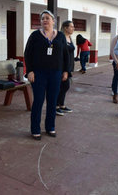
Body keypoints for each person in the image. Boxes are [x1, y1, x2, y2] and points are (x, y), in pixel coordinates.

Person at [24, 10, 70, 140]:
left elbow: (66, 54)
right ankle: (35, 129)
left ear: (53, 21)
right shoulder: (35, 35)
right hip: (39, 73)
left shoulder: (60, 35)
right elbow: (27, 54)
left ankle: (50, 127)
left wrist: (66, 71)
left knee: (52, 101)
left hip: (56, 73)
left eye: (47, 18)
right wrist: (30, 71)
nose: (45, 20)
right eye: (42, 18)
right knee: (38, 101)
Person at [56, 20, 75, 116]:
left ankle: (62, 105)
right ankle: (55, 105)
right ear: (65, 28)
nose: (73, 28)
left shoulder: (70, 38)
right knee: (65, 86)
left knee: (64, 85)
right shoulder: (61, 38)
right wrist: (65, 69)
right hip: (63, 67)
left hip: (69, 66)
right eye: (71, 27)